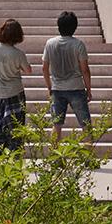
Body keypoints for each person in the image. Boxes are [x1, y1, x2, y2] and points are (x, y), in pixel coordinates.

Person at [0, 18, 32, 155]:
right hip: (14, 95)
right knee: (15, 129)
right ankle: (14, 158)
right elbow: (28, 71)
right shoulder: (18, 54)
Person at [42, 11, 93, 142]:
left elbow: (44, 68)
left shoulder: (50, 43)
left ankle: (55, 153)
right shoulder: (78, 44)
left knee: (56, 125)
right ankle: (89, 154)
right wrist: (89, 89)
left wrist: (49, 87)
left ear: (59, 26)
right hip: (76, 88)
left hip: (57, 89)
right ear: (75, 27)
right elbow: (85, 70)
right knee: (86, 125)